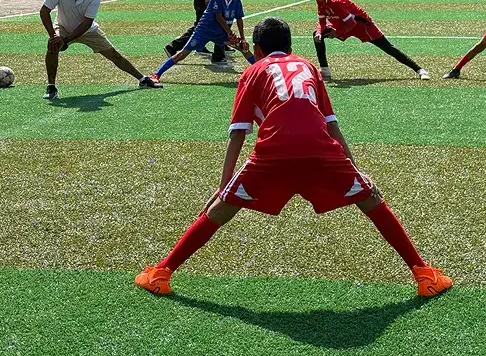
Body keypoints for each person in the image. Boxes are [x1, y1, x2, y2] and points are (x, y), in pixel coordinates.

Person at [136, 17, 453, 298]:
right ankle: (424, 275)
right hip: (322, 150)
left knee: (220, 210)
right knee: (370, 200)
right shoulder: (308, 67)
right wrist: (357, 171)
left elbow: (238, 133)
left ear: (257, 49)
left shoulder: (252, 72)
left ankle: (161, 273)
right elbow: (332, 125)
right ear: (290, 47)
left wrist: (223, 187)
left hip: (273, 154)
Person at [40, 0, 161, 99]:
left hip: (87, 30)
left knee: (114, 54)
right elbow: (44, 11)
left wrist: (66, 40)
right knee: (52, 45)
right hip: (63, 26)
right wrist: (54, 36)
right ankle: (51, 87)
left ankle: (143, 79)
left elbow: (86, 23)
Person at [307, 0, 430, 80]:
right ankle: (325, 71)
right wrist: (319, 32)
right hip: (342, 23)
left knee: (388, 48)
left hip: (362, 25)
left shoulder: (335, 2)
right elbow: (322, 20)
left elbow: (351, 24)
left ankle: (420, 70)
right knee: (317, 35)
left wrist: (337, 32)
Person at [150, 0, 255, 83]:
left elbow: (239, 19)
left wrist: (243, 38)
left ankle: (263, 70)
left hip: (220, 33)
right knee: (182, 54)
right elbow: (219, 17)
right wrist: (229, 32)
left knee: (243, 47)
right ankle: (156, 74)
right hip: (204, 31)